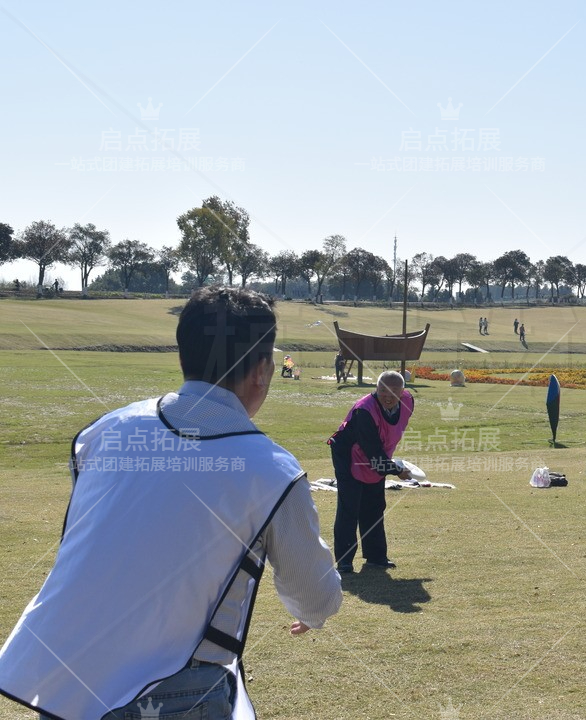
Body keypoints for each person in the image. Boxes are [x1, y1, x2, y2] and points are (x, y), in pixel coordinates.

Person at [0, 286, 342, 719]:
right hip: (174, 686)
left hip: (64, 675)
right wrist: (312, 611)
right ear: (262, 369)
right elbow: (315, 596)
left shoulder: (105, 429)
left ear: (185, 356)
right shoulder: (272, 468)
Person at [329, 370, 414, 572]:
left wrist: (389, 464)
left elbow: (383, 444)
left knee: (375, 505)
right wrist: (397, 470)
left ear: (402, 392)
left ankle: (376, 557)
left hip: (376, 455)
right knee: (350, 507)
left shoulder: (408, 402)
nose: (388, 396)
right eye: (382, 390)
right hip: (348, 455)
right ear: (375, 389)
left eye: (394, 392)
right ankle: (345, 561)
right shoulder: (364, 411)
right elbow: (373, 454)